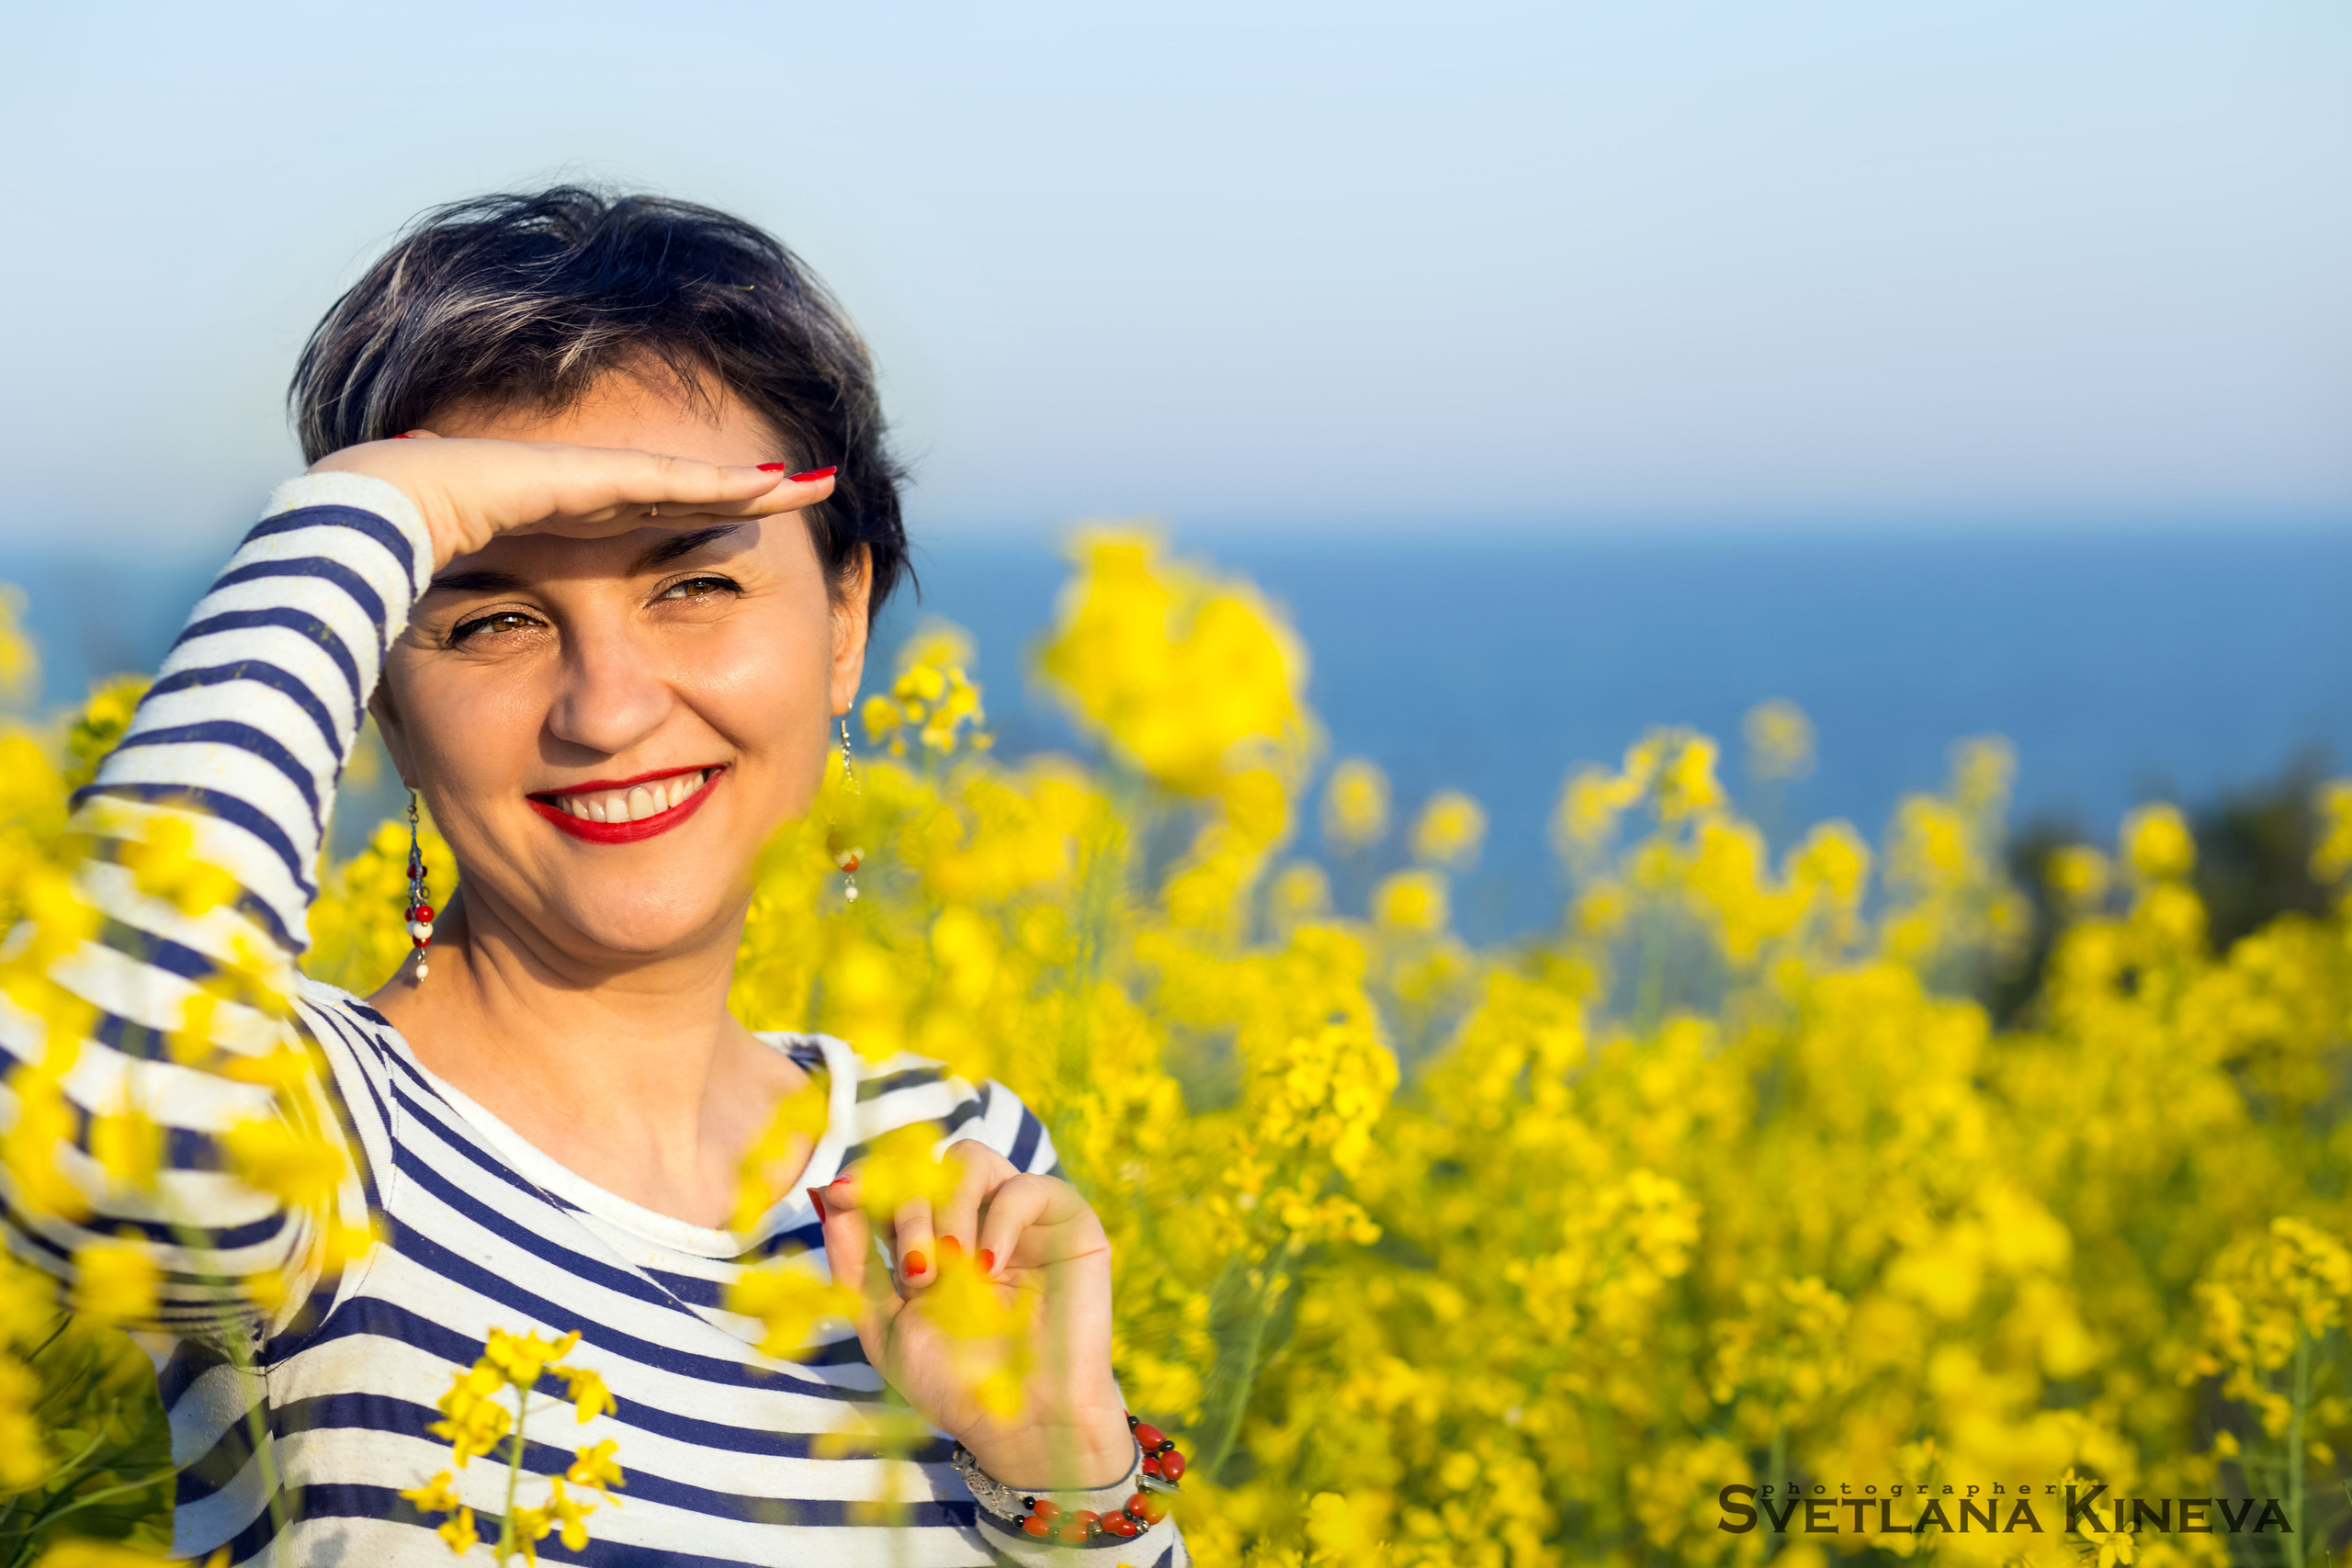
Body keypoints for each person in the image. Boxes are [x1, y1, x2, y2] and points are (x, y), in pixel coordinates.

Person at [1, 188, 1187, 1565]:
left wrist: (1061, 1471)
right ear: (382, 699)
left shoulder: (944, 1153)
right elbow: (60, 1112)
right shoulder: (310, 1134)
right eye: (491, 618)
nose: (608, 711)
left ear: (845, 622)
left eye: (694, 587)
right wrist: (366, 517)